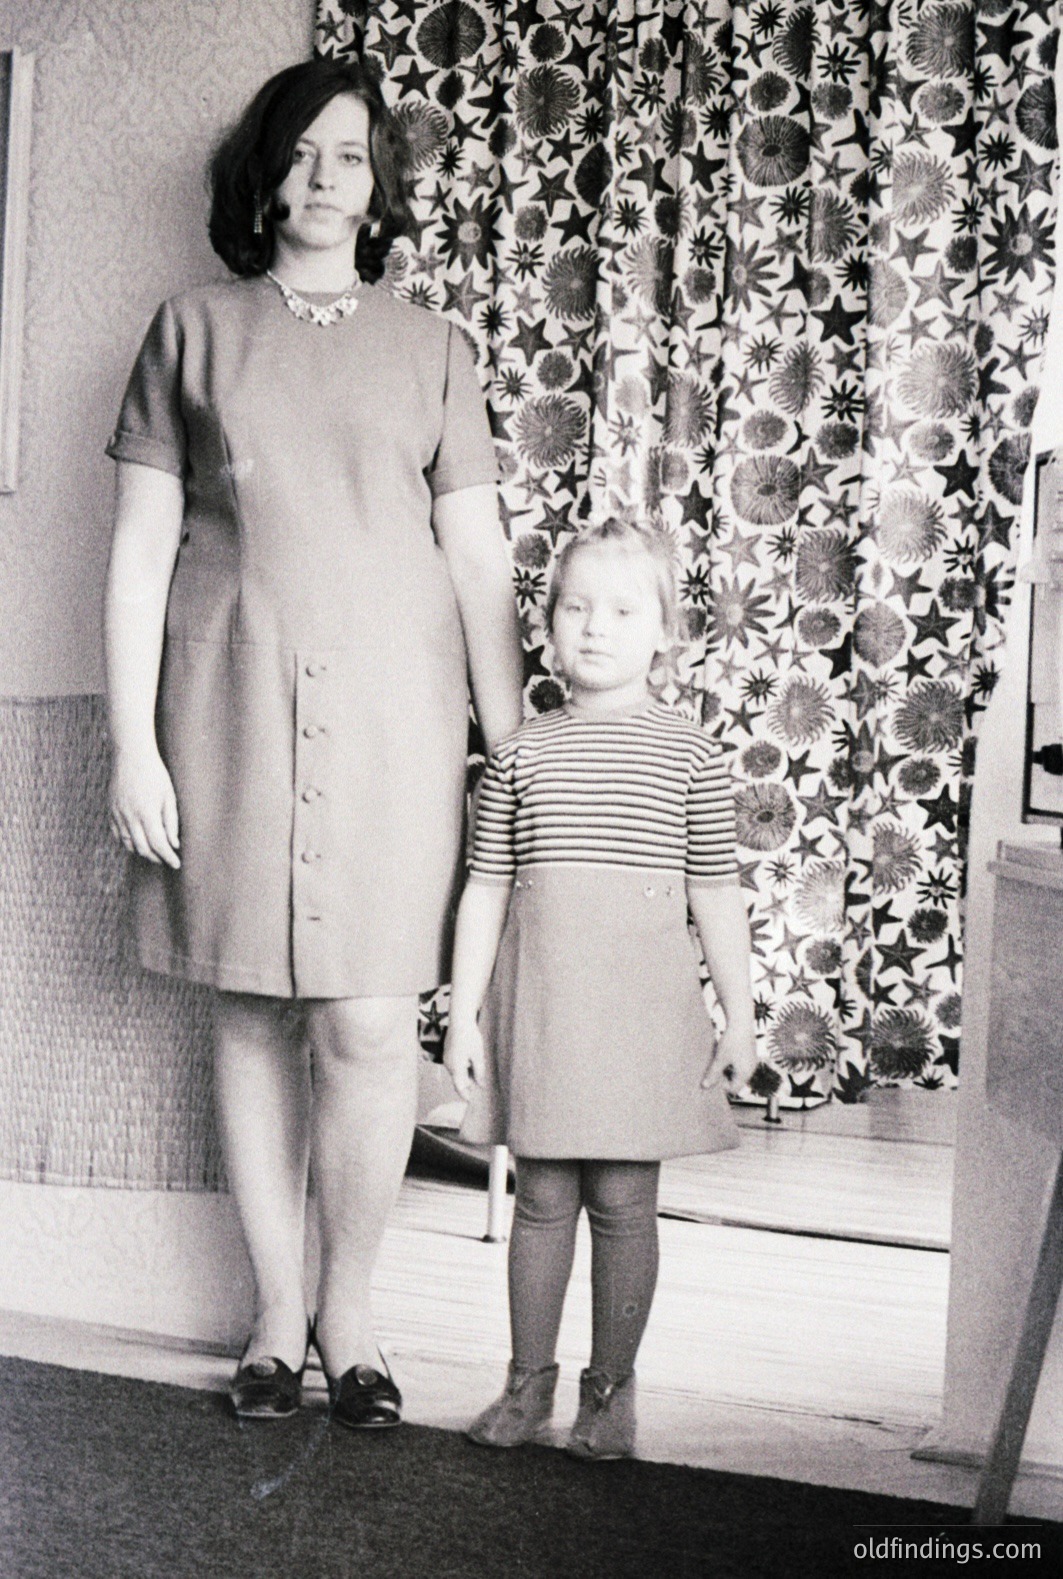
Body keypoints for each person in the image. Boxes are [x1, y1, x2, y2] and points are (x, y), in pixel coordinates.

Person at [102, 57, 523, 1429]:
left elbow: (477, 559)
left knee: (366, 1020)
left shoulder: (436, 348)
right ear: (262, 178)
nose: (325, 177)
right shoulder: (190, 330)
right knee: (246, 1009)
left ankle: (353, 1314)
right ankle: (276, 1317)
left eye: (350, 154)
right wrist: (132, 745)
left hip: (401, 720)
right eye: (300, 154)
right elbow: (141, 551)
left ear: (379, 183)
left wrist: (512, 743)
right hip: (223, 706)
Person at [444, 518, 757, 1460]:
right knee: (541, 1197)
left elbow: (716, 893)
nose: (595, 627)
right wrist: (461, 1014)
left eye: (622, 610)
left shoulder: (691, 756)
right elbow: (484, 889)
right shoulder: (519, 755)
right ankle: (526, 1382)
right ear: (546, 627)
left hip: (640, 1018)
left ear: (665, 632)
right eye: (575, 608)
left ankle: (610, 1389)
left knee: (624, 1201)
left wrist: (740, 1015)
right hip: (544, 1013)